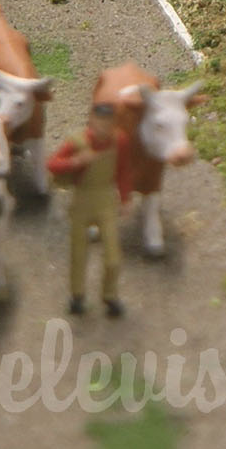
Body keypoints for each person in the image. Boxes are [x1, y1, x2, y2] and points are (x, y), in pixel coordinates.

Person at [46, 103, 133, 317]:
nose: (103, 128)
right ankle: (77, 296)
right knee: (78, 252)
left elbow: (123, 171)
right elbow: (53, 164)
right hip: (82, 199)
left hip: (106, 200)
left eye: (108, 124)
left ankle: (110, 296)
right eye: (99, 123)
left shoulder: (119, 141)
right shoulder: (78, 142)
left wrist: (125, 198)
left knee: (113, 256)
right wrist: (75, 162)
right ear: (92, 121)